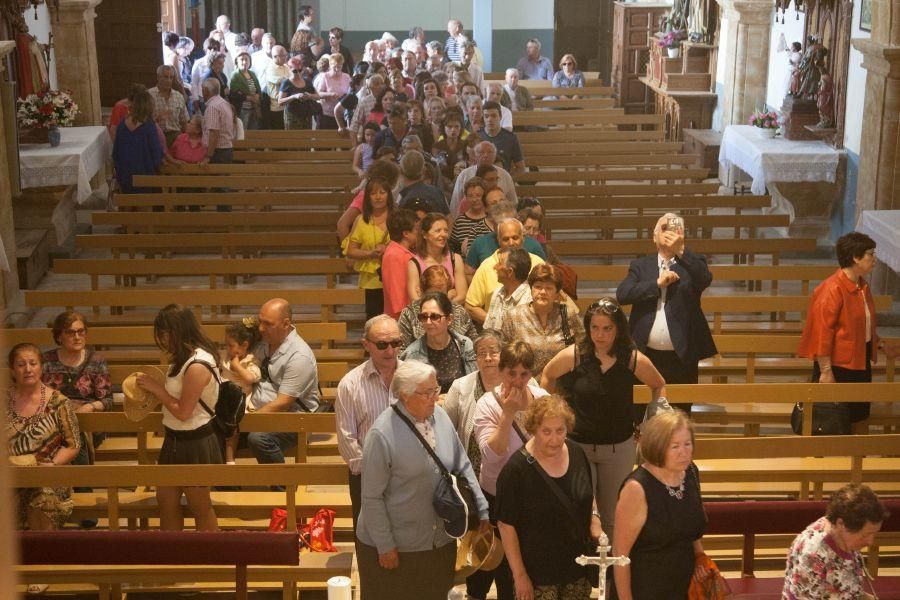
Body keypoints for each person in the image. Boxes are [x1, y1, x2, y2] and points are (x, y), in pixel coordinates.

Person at [542, 297, 670, 546]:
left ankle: (610, 576)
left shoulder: (631, 358)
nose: (599, 335)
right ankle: (582, 573)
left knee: (611, 515)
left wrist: (650, 423)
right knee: (581, 510)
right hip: (579, 446)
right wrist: (555, 413)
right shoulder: (577, 355)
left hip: (618, 447)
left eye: (607, 329)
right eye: (594, 328)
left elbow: (658, 384)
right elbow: (547, 375)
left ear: (618, 329)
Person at [357, 360, 489, 600]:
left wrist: (482, 508)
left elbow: (462, 464)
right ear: (405, 395)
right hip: (397, 546)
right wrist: (385, 545)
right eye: (427, 392)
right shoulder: (381, 434)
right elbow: (371, 497)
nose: (435, 397)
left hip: (440, 541)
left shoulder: (440, 416)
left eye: (436, 389)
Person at [496, 395, 602, 600]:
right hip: (538, 575)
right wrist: (520, 576)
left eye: (560, 430)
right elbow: (505, 525)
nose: (555, 439)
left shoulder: (577, 452)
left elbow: (588, 493)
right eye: (546, 431)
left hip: (577, 568)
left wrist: (595, 518)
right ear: (533, 429)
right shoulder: (515, 470)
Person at [470, 340, 549, 600]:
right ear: (501, 371)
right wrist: (508, 414)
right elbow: (492, 455)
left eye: (524, 374)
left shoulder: (542, 400)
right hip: (497, 495)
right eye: (511, 373)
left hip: (534, 497)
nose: (517, 380)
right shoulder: (487, 404)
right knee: (496, 569)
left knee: (525, 569)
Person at [616, 213, 716, 415]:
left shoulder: (693, 263)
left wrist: (681, 251)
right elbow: (623, 294)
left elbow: (704, 279)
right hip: (645, 353)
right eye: (664, 228)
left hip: (682, 356)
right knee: (638, 412)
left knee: (680, 414)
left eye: (675, 228)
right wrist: (656, 284)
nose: (669, 232)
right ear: (654, 237)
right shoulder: (641, 266)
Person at [134, 305, 222, 531]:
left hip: (196, 441)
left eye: (166, 333)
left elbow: (184, 412)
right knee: (166, 500)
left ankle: (213, 557)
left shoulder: (198, 365)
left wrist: (156, 388)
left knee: (199, 504)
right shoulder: (182, 357)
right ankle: (174, 555)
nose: (163, 338)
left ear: (180, 331)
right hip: (174, 438)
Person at [611, 411, 707, 600]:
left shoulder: (691, 472)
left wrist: (701, 560)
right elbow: (620, 555)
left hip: (684, 587)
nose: (684, 452)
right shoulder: (637, 488)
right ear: (657, 447)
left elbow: (689, 528)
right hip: (647, 589)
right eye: (675, 446)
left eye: (688, 444)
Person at [798, 232, 880, 426]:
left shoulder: (862, 286)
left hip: (859, 360)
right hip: (838, 366)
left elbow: (862, 325)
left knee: (857, 414)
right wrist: (826, 371)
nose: (874, 259)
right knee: (832, 417)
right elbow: (821, 334)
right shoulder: (832, 289)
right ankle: (828, 453)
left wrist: (880, 344)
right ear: (855, 257)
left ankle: (854, 455)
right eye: (870, 254)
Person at [336, 315, 403, 528]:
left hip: (408, 475)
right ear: (366, 345)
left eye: (396, 343)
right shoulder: (350, 385)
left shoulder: (414, 378)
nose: (390, 351)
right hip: (367, 476)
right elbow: (347, 439)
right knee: (369, 542)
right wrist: (374, 472)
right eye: (382, 345)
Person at [9, 343, 81, 528]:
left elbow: (73, 445)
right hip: (9, 476)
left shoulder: (59, 402)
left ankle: (42, 555)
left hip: (48, 476)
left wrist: (53, 464)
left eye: (32, 363)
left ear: (41, 367)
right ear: (12, 370)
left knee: (41, 500)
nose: (27, 369)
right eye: (21, 364)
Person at [783, 483, 889, 599]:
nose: (870, 541)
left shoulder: (844, 536)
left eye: (874, 533)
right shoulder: (813, 554)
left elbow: (849, 590)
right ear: (841, 524)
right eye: (865, 535)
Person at [247, 299, 320, 466]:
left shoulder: (299, 356)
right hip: (257, 410)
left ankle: (284, 486)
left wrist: (246, 421)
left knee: (259, 438)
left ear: (286, 324)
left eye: (267, 324)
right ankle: (226, 485)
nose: (260, 328)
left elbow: (282, 403)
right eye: (260, 322)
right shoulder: (265, 340)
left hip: (294, 420)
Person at [41, 310, 111, 471]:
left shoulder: (96, 361)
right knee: (67, 429)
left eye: (81, 331)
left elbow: (107, 400)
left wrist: (91, 406)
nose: (77, 337)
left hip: (87, 422)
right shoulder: (45, 361)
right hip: (54, 421)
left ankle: (81, 487)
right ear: (59, 336)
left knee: (74, 429)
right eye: (70, 332)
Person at [500, 264, 584, 376]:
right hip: (525, 386)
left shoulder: (568, 314)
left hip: (562, 387)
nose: (543, 292)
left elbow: (583, 348)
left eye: (549, 288)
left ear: (557, 293)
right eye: (538, 287)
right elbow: (504, 356)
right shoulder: (513, 316)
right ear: (531, 289)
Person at [443, 329, 503, 480]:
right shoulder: (460, 386)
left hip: (509, 470)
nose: (487, 358)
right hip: (472, 474)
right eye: (482, 353)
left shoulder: (521, 382)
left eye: (493, 352)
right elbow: (445, 430)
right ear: (476, 358)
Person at [465, 217, 546, 319]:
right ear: (499, 240)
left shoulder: (538, 263)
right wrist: (496, 324)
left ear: (523, 238)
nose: (511, 243)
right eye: (506, 239)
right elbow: (470, 307)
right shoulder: (486, 266)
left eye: (515, 237)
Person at [400, 291, 477, 394]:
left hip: (462, 406)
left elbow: (474, 387)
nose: (428, 322)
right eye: (424, 317)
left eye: (434, 317)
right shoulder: (412, 354)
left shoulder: (464, 345)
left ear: (449, 319)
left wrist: (450, 400)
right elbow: (411, 396)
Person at [345, 177, 394, 320]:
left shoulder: (397, 218)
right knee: (374, 318)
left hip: (394, 275)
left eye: (382, 192)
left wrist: (388, 250)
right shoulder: (361, 220)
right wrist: (370, 253)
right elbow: (351, 250)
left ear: (389, 195)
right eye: (373, 193)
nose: (378, 197)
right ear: (367, 197)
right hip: (372, 279)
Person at [398, 265, 478, 349]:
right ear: (422, 293)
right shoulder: (409, 314)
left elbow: (475, 346)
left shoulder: (459, 312)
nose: (437, 301)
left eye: (442, 295)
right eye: (431, 296)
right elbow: (401, 351)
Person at [220, 318, 262, 464]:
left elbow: (250, 378)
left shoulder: (250, 360)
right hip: (223, 394)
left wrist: (237, 367)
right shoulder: (225, 357)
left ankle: (230, 459)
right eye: (226, 345)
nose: (227, 349)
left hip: (240, 398)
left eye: (230, 345)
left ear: (244, 345)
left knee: (232, 424)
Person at [112, 89, 164, 194]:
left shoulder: (122, 124)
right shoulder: (149, 126)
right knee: (145, 207)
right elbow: (156, 154)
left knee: (127, 206)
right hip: (145, 175)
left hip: (125, 175)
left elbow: (115, 152)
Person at [407, 213, 466, 304]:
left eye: (446, 230)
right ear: (424, 234)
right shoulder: (414, 263)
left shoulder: (456, 259)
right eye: (438, 231)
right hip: (426, 316)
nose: (443, 234)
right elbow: (415, 300)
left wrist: (425, 297)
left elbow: (462, 296)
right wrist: (447, 295)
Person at [449, 141, 518, 216]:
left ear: (495, 156)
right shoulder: (464, 175)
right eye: (481, 152)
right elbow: (455, 203)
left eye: (490, 152)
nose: (485, 155)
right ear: (474, 155)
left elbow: (513, 202)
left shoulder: (505, 175)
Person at [382, 208, 419, 319]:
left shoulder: (401, 252)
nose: (420, 232)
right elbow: (397, 296)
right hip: (401, 319)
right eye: (416, 229)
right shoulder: (395, 255)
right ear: (406, 233)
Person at [483, 247, 533, 330]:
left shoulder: (529, 300)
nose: (495, 267)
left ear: (510, 272)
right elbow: (488, 330)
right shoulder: (497, 293)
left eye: (499, 263)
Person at [449, 177, 492, 257]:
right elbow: (452, 249)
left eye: (478, 195)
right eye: (470, 196)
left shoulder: (491, 219)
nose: (474, 199)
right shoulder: (460, 222)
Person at [479, 101, 525, 175]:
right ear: (483, 118)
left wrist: (506, 180)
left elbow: (521, 168)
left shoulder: (511, 138)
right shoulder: (477, 136)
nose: (490, 119)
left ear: (500, 117)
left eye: (494, 116)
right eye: (486, 116)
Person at [149, 64, 189, 147]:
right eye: (166, 77)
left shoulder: (178, 96)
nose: (169, 80)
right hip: (155, 136)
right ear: (158, 77)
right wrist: (157, 119)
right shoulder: (149, 95)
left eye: (171, 77)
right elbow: (142, 121)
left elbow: (184, 121)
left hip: (176, 136)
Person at [277, 55, 320, 129]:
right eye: (294, 71)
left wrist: (309, 96)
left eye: (299, 70)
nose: (297, 73)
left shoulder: (307, 81)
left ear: (303, 69)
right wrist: (294, 96)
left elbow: (318, 97)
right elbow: (280, 102)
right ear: (289, 69)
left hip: (306, 116)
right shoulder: (286, 83)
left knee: (306, 139)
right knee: (294, 139)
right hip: (293, 117)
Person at [199, 78, 234, 166]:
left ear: (206, 91)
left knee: (216, 179)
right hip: (226, 150)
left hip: (217, 152)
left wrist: (208, 156)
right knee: (224, 179)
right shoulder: (224, 103)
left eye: (202, 89)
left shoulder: (213, 107)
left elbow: (214, 133)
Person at [315, 53, 351, 129]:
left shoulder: (347, 77)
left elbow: (351, 93)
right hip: (326, 115)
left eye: (340, 66)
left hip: (342, 114)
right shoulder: (325, 76)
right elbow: (318, 94)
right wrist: (330, 94)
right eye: (335, 66)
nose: (337, 69)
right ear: (330, 65)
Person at [229, 51, 262, 131]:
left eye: (246, 59)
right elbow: (234, 93)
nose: (244, 62)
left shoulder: (252, 74)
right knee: (243, 132)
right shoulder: (235, 75)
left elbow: (258, 89)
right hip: (243, 109)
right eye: (241, 59)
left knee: (254, 131)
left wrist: (257, 95)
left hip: (255, 107)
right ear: (237, 61)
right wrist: (249, 98)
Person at [263, 45, 291, 130]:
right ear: (275, 56)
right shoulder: (270, 68)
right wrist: (290, 79)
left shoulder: (286, 66)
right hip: (276, 107)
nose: (286, 57)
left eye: (286, 55)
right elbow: (283, 81)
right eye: (283, 56)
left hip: (287, 104)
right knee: (279, 132)